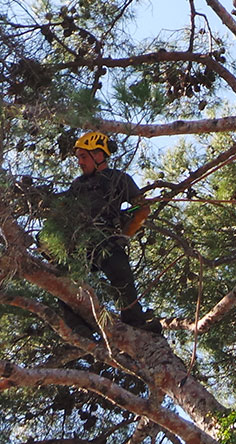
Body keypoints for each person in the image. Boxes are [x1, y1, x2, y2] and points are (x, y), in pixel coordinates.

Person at [56, 131, 157, 331]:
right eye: (78, 158)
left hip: (108, 241)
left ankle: (135, 322)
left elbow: (142, 208)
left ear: (99, 155)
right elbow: (62, 209)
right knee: (65, 279)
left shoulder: (118, 179)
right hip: (80, 243)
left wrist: (124, 234)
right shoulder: (77, 185)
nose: (80, 162)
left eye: (83, 157)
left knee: (122, 276)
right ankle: (78, 326)